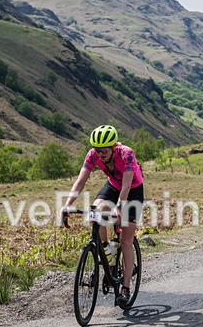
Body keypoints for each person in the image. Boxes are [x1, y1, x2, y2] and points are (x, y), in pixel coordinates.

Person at [62, 125, 144, 306]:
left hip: (132, 190)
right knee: (96, 211)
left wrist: (120, 207)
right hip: (113, 186)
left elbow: (127, 185)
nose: (100, 154)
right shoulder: (92, 154)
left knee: (126, 241)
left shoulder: (126, 153)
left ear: (114, 147)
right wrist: (68, 205)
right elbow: (80, 181)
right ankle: (106, 250)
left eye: (104, 151)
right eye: (97, 150)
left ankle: (125, 288)